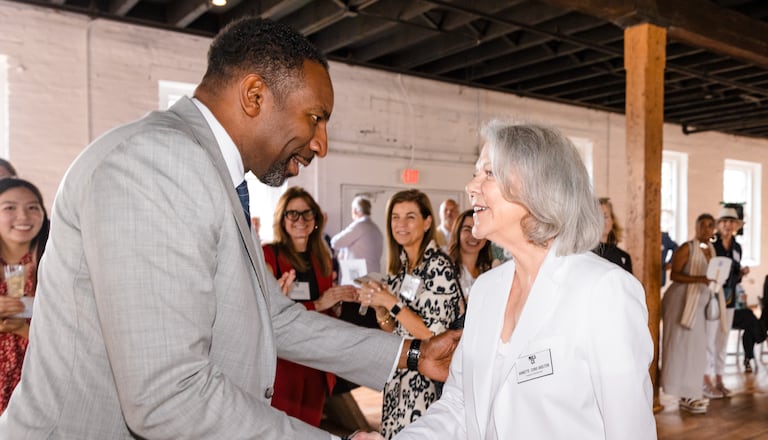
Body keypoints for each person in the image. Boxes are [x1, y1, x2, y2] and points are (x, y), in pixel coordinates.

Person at [0, 18, 459, 440]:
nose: (321, 142)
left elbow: (271, 317)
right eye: (315, 117)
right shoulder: (160, 162)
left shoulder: (206, 169)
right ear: (255, 95)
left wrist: (413, 354)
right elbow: (167, 394)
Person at [395, 121, 655, 439]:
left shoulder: (603, 290)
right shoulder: (486, 290)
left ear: (537, 186)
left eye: (488, 173)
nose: (471, 186)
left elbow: (629, 430)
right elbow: (460, 405)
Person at [356, 189, 465, 439]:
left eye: (410, 217)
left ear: (427, 222)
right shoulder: (401, 266)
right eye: (395, 217)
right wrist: (381, 308)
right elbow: (395, 331)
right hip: (399, 378)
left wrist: (392, 302)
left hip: (428, 383)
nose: (401, 224)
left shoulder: (438, 266)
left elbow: (433, 336)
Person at [262, 187, 357, 426]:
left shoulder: (322, 257)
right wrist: (318, 303)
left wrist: (335, 305)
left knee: (311, 427)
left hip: (316, 361)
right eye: (292, 214)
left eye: (307, 214)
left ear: (316, 219)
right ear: (282, 219)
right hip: (284, 363)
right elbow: (267, 311)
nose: (300, 220)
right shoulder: (268, 256)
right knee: (281, 429)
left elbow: (326, 307)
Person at [0, 178, 49, 415]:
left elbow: (69, 337)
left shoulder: (55, 264)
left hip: (38, 384)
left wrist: (21, 328)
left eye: (33, 207)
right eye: (9, 208)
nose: (23, 216)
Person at [661, 213, 716, 414]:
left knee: (696, 349)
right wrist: (699, 279)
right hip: (681, 301)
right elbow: (674, 274)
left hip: (699, 304)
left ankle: (691, 392)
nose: (707, 229)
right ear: (696, 226)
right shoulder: (687, 248)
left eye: (711, 226)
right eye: (703, 225)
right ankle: (675, 391)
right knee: (678, 346)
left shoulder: (711, 250)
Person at [706, 206, 749, 397]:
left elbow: (734, 274)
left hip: (729, 297)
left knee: (723, 338)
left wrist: (741, 274)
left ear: (736, 225)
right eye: (724, 221)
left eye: (731, 222)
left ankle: (720, 378)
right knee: (709, 338)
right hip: (712, 297)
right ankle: (706, 381)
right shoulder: (710, 244)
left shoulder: (737, 247)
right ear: (718, 224)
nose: (727, 225)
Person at [331, 195, 384, 281]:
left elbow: (335, 243)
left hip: (358, 275)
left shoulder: (359, 225)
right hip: (373, 274)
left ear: (354, 210)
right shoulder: (376, 229)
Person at [447, 208, 494, 299]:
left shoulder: (490, 270)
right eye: (467, 230)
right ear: (457, 233)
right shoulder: (446, 269)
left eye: (478, 229)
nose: (473, 235)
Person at [593, 197, 633, 273]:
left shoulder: (624, 257)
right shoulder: (587, 254)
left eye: (605, 217)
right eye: (598, 217)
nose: (602, 221)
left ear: (612, 220)